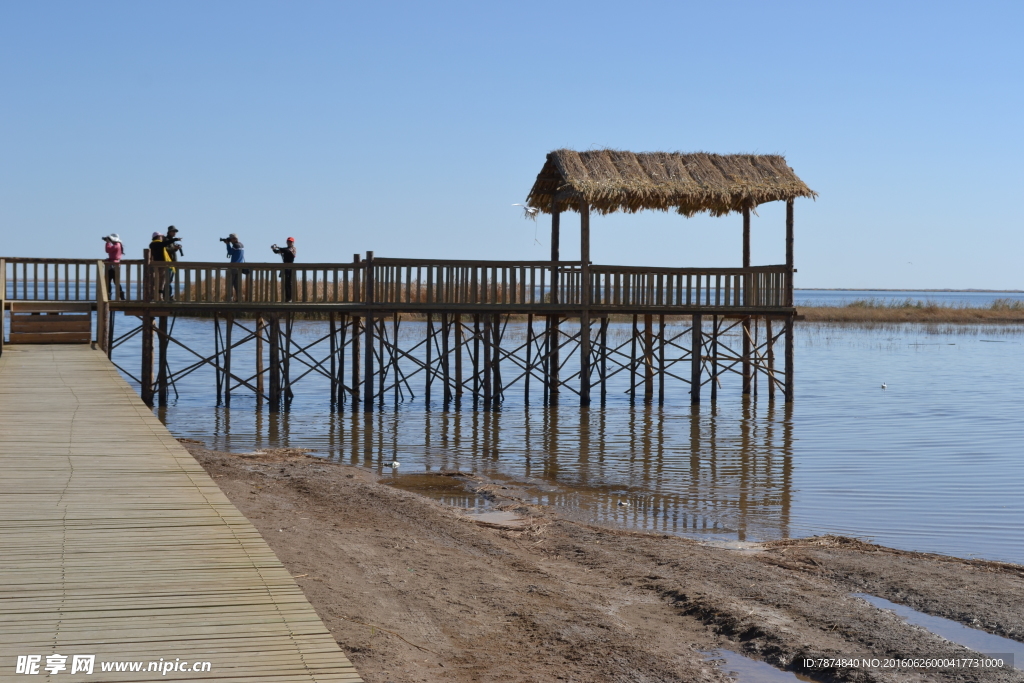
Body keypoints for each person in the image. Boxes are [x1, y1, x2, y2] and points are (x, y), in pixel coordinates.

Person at [148, 231, 174, 301]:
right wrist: (175, 239)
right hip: (157, 265)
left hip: (162, 265)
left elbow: (164, 244)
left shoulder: (158, 244)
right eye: (161, 236)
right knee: (156, 280)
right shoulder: (154, 244)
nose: (162, 237)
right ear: (157, 237)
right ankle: (155, 295)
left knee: (162, 281)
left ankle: (160, 295)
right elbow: (164, 244)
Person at [220, 233, 245, 301]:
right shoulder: (241, 245)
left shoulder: (235, 245)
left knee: (230, 283)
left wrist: (227, 244)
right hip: (240, 267)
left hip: (234, 266)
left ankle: (230, 299)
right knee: (237, 284)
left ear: (234, 239)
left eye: (231, 239)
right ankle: (239, 299)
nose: (230, 240)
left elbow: (230, 252)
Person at [271, 237, 297, 301]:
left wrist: (278, 247)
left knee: (289, 283)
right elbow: (277, 252)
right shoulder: (284, 249)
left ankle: (290, 298)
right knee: (286, 283)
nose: (289, 242)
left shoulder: (293, 248)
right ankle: (287, 298)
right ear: (286, 242)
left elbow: (287, 251)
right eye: (288, 241)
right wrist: (273, 248)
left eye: (291, 241)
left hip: (290, 267)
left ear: (293, 243)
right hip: (285, 267)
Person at [102, 234, 125, 300]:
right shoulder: (118, 244)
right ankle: (120, 296)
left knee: (111, 281)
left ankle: (110, 295)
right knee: (114, 281)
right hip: (114, 264)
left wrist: (107, 242)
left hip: (113, 265)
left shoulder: (117, 245)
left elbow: (108, 250)